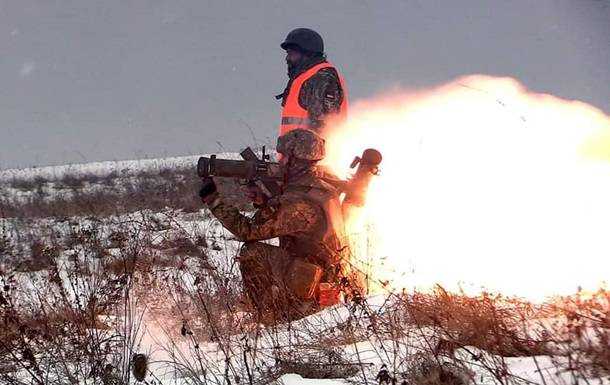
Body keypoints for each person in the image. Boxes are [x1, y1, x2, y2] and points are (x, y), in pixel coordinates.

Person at [198, 129, 347, 323]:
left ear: (295, 160)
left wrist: (213, 199)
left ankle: (270, 318)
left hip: (312, 283)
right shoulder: (322, 189)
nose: (280, 161)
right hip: (326, 276)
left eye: (283, 156)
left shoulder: (297, 202)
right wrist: (264, 202)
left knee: (252, 252)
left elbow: (247, 230)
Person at [277, 28, 348, 136]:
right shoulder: (304, 78)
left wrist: (307, 151)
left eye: (292, 54)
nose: (287, 58)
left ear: (307, 54)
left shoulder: (322, 78)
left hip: (315, 152)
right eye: (288, 53)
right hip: (296, 151)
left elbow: (324, 128)